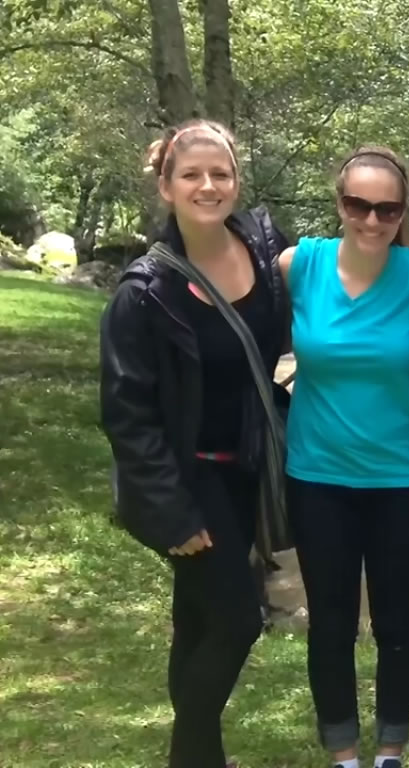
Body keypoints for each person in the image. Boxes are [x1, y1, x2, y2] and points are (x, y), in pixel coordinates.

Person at [99, 118, 290, 768]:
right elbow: (128, 414)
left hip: (248, 471)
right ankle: (191, 757)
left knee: (199, 621)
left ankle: (200, 756)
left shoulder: (263, 247)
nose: (208, 186)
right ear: (166, 185)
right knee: (238, 620)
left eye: (221, 173)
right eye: (192, 175)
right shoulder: (144, 292)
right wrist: (173, 513)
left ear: (237, 180)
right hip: (188, 478)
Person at [279, 145, 409, 768]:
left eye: (387, 209)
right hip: (317, 475)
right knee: (331, 621)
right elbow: (226, 305)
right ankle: (343, 753)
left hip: (400, 476)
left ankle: (390, 749)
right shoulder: (299, 265)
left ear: (403, 213)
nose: (372, 221)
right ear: (339, 202)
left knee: (398, 622)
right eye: (357, 205)